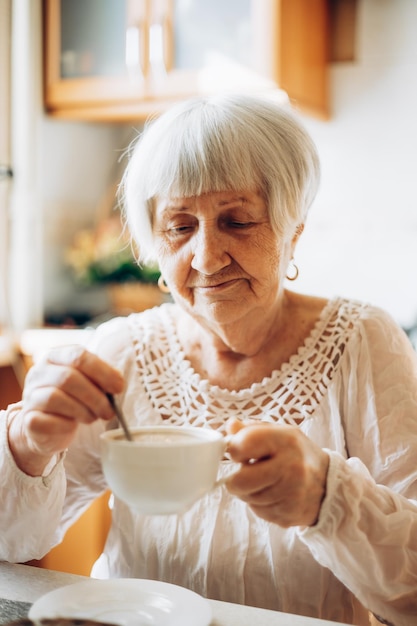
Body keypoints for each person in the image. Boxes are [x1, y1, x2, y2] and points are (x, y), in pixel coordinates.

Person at [1, 93, 417, 626]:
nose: (204, 257)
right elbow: (10, 542)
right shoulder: (123, 350)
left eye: (238, 222)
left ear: (293, 233)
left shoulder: (362, 342)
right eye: (178, 226)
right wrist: (26, 446)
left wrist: (325, 498)